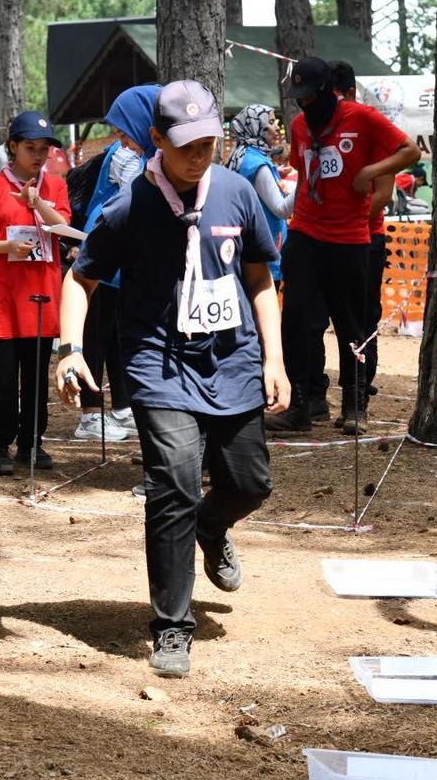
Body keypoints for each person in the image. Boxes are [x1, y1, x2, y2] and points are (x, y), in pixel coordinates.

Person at [55, 80, 289, 678]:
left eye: (208, 142)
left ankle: (214, 527)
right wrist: (70, 349)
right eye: (185, 145)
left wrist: (275, 358)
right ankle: (171, 626)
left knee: (250, 482)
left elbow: (261, 279)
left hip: (232, 358)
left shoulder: (237, 193)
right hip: (159, 364)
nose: (197, 155)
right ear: (157, 139)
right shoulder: (129, 205)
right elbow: (79, 280)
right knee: (174, 485)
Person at [265, 56, 421, 436]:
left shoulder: (361, 118)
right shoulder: (301, 126)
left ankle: (355, 404)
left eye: (308, 96)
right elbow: (304, 177)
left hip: (349, 238)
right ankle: (301, 404)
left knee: (352, 324)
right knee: (297, 320)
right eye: (297, 97)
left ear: (325, 92)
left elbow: (410, 151)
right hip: (305, 232)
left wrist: (370, 171)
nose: (302, 104)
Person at [0, 112, 72, 475]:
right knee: (2, 373)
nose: (39, 156)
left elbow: (64, 227)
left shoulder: (56, 186)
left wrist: (36, 203)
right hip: (5, 295)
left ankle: (32, 442)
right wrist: (9, 248)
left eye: (44, 149)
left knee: (36, 374)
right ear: (12, 147)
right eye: (31, 148)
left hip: (43, 292)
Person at [73, 84, 161, 444]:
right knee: (96, 336)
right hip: (106, 256)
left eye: (124, 131)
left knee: (120, 338)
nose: (119, 139)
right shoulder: (126, 157)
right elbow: (137, 201)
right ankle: (91, 414)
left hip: (128, 266)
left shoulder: (149, 153)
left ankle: (123, 407)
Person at [227, 103, 294, 286]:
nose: (276, 127)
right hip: (264, 254)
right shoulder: (257, 164)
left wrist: (275, 175)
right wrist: (305, 181)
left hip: (248, 248)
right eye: (270, 122)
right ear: (256, 127)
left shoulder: (242, 155)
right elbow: (282, 209)